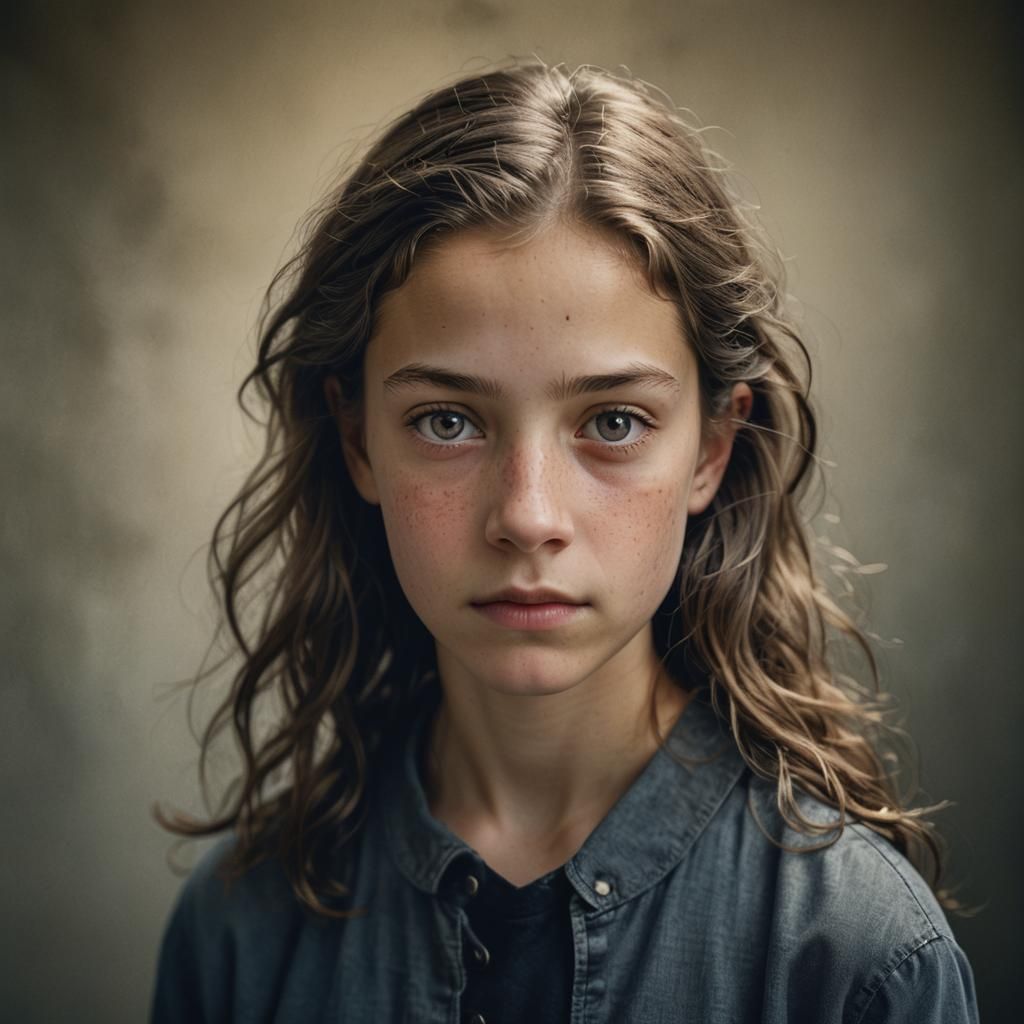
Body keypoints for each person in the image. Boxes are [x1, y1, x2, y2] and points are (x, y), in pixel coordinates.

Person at [150, 59, 979, 1023]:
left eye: (614, 422)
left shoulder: (857, 958)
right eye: (448, 421)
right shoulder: (241, 932)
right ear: (357, 438)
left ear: (713, 446)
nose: (528, 514)